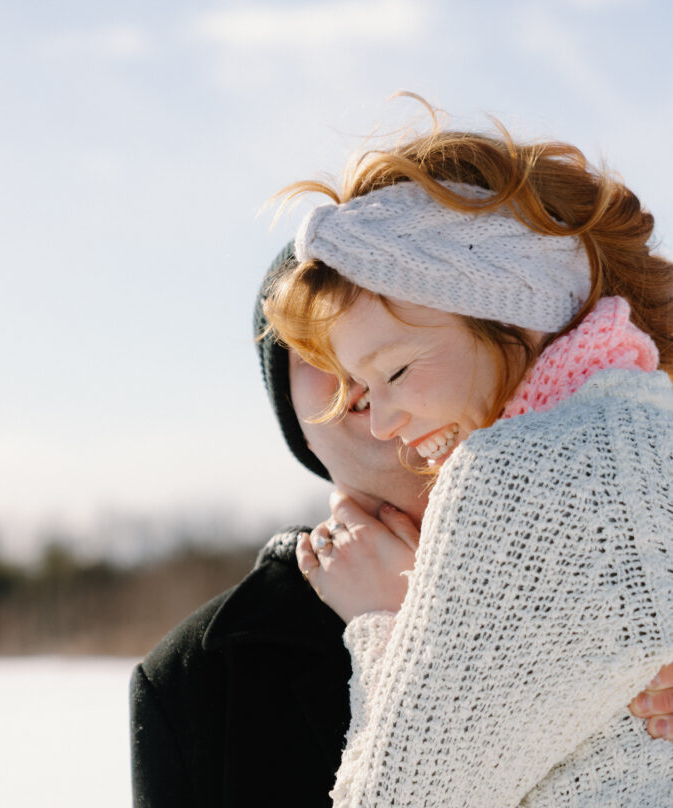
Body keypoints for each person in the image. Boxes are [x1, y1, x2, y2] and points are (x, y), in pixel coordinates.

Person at [129, 247, 673, 807]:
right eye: (315, 345)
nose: (354, 368)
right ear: (291, 417)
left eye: (388, 335)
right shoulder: (202, 670)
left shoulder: (632, 533)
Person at [263, 116, 673, 806]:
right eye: (361, 387)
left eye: (394, 370)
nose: (385, 422)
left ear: (515, 313)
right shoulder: (647, 430)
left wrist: (385, 619)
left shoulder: (512, 474)